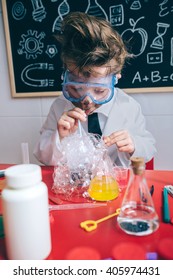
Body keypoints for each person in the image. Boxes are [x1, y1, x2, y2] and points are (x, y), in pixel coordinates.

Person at [33, 12, 156, 167]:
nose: (86, 101)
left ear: (116, 77)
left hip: (114, 186)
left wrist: (134, 145)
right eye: (77, 88)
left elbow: (149, 148)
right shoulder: (59, 106)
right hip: (74, 185)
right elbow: (41, 155)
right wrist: (59, 139)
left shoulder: (129, 106)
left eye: (98, 90)